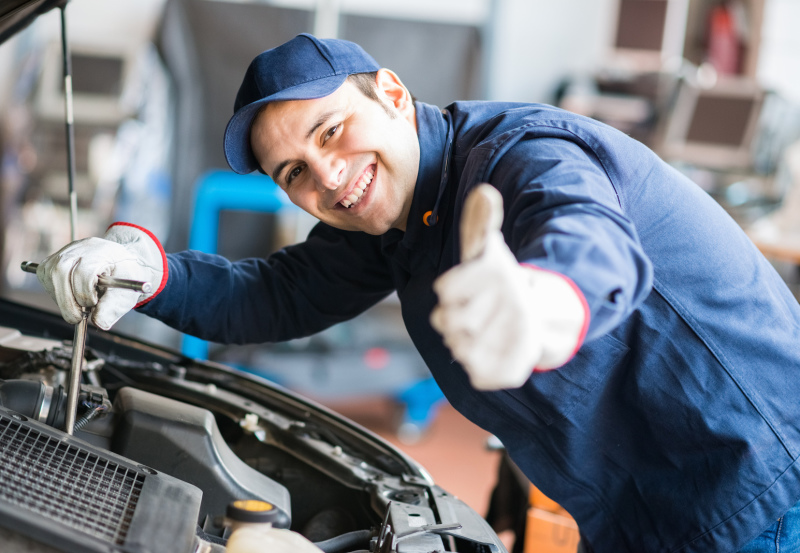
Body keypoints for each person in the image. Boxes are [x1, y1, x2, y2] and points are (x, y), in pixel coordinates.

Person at [36, 34, 800, 553]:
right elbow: (280, 292)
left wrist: (543, 304)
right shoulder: (389, 217)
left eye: (331, 131)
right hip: (638, 514)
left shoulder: (520, 156)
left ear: (393, 94)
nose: (328, 176)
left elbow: (589, 239)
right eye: (294, 172)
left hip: (760, 495)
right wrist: (149, 268)